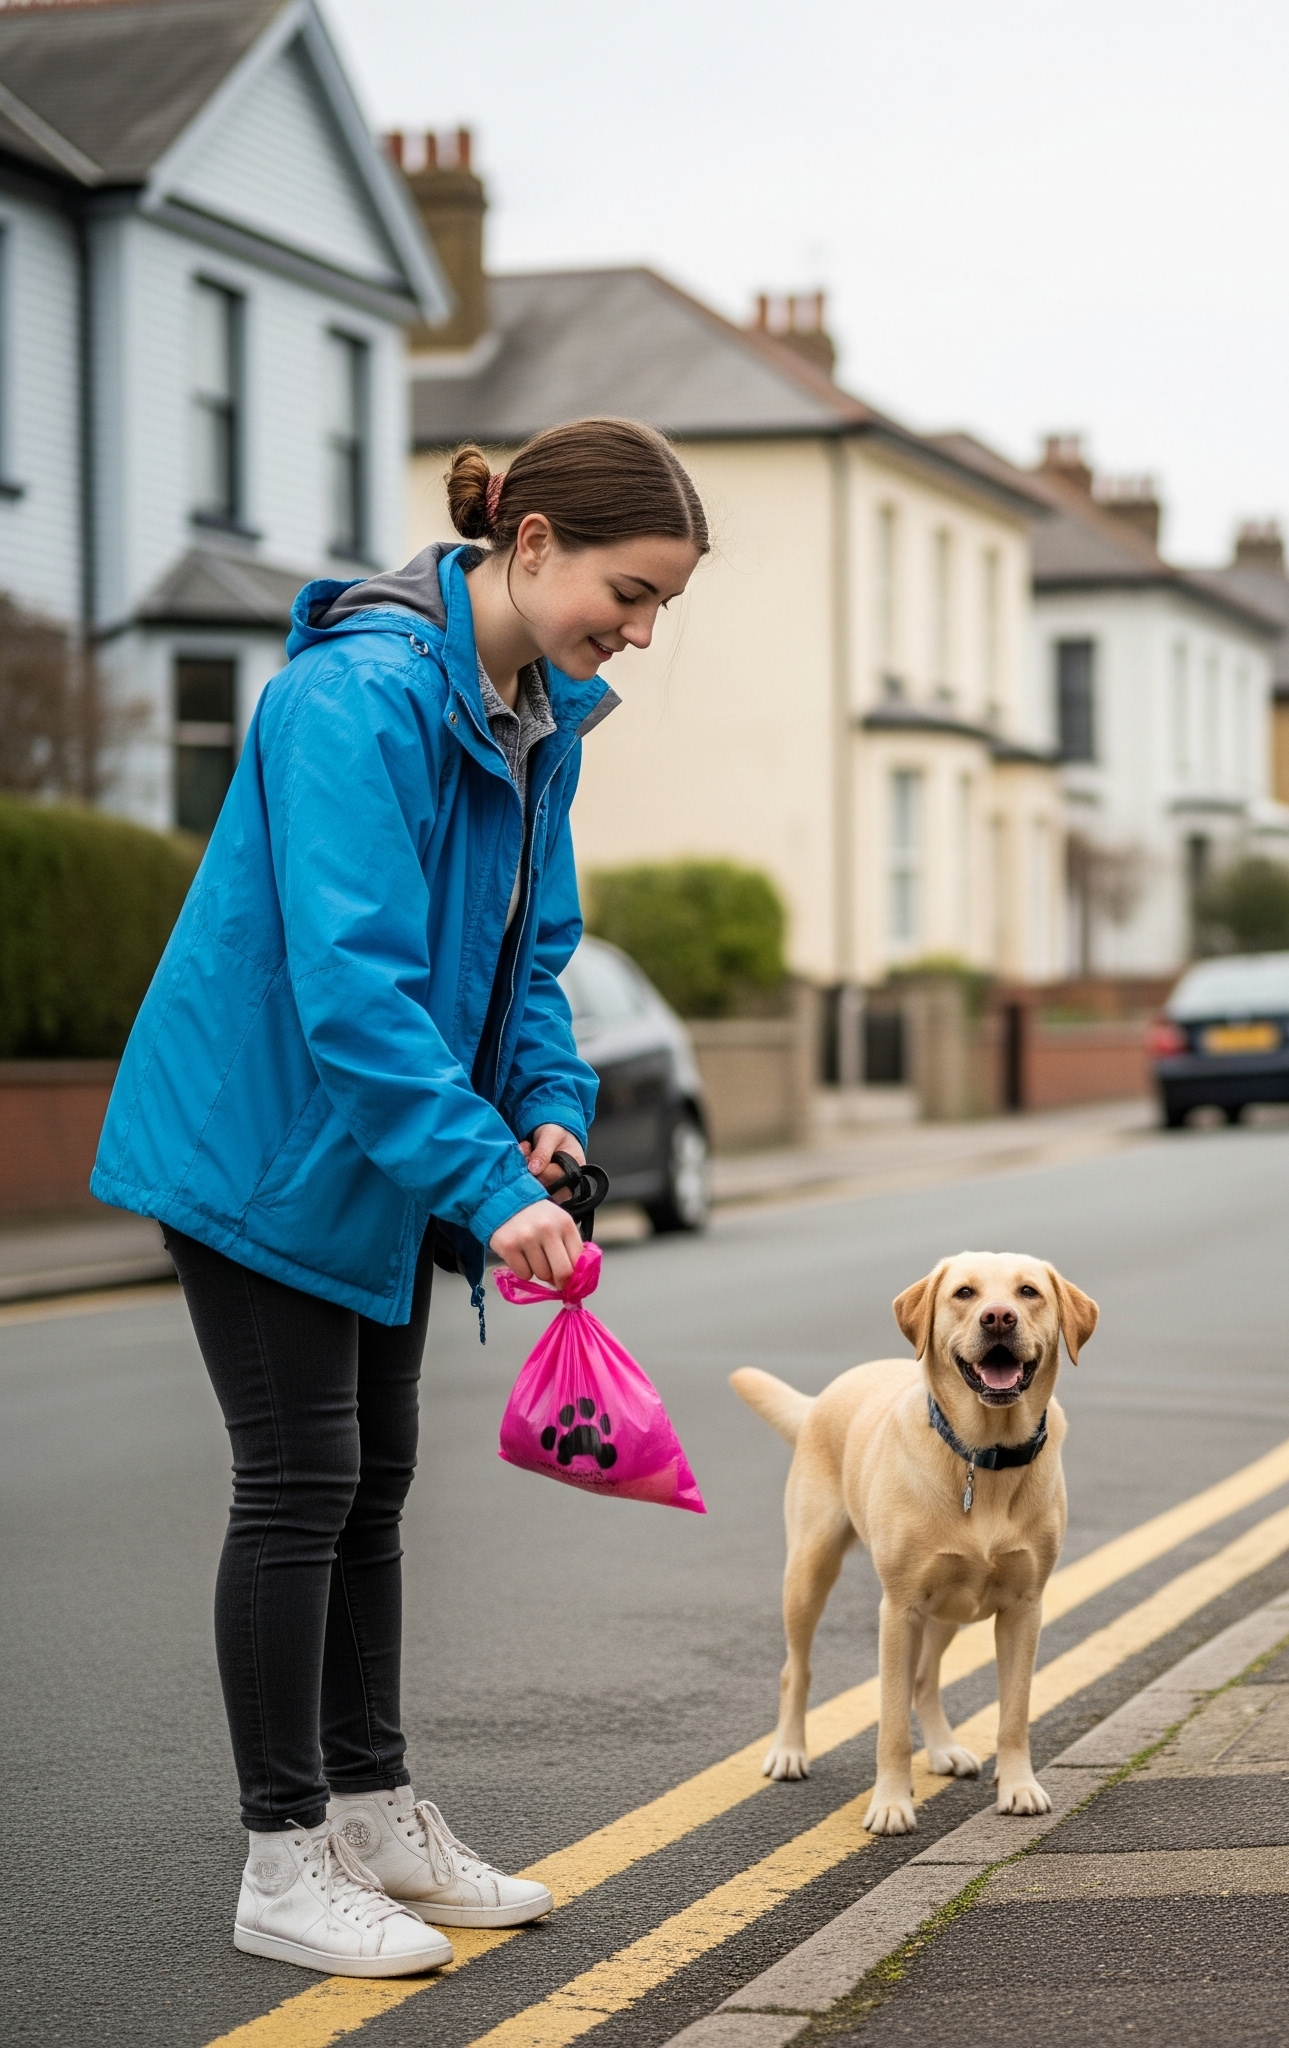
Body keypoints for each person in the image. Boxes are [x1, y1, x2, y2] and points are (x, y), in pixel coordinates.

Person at [91, 418, 707, 1979]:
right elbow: (354, 994)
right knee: (300, 1483)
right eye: (630, 593)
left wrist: (549, 1119)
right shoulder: (356, 699)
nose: (638, 634)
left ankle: (369, 1816)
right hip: (261, 1145)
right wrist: (488, 1187)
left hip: (371, 1154)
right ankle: (283, 1861)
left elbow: (532, 960)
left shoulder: (536, 718)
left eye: (660, 608)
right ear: (536, 542)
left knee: (371, 1485)